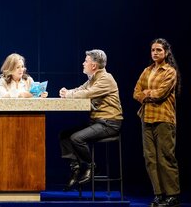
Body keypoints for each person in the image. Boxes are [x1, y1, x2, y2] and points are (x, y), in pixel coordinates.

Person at [58, 49, 123, 191]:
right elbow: (80, 89)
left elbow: (88, 93)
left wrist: (70, 94)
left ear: (94, 65)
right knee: (65, 136)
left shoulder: (106, 78)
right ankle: (75, 169)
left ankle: (91, 167)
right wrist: (67, 92)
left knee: (76, 138)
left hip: (110, 123)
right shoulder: (93, 78)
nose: (83, 63)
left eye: (86, 61)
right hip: (97, 122)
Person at [133, 38, 181, 207]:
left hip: (163, 118)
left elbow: (161, 93)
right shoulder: (147, 70)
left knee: (165, 157)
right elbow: (136, 92)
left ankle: (172, 195)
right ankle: (159, 194)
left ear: (166, 52)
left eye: (159, 50)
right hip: (146, 117)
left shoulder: (169, 71)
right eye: (153, 50)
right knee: (150, 158)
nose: (155, 53)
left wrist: (147, 93)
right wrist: (145, 93)